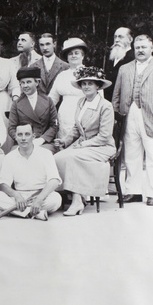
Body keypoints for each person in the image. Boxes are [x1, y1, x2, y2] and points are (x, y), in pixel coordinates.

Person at [112, 34, 153, 206]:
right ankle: (133, 191)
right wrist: (115, 115)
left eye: (143, 47)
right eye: (137, 48)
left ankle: (152, 194)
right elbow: (116, 95)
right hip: (129, 115)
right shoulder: (124, 69)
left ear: (151, 49)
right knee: (132, 155)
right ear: (133, 49)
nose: (140, 50)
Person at [54, 67, 116, 216]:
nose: (86, 87)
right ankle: (73, 196)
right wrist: (64, 141)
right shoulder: (81, 102)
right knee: (57, 157)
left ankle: (77, 201)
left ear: (98, 86)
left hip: (102, 146)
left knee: (73, 157)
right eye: (83, 84)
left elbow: (105, 135)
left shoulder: (105, 106)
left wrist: (83, 145)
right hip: (83, 145)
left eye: (90, 83)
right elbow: (76, 128)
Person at [0, 123, 62, 221]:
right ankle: (34, 213)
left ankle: (12, 211)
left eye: (27, 134)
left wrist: (39, 199)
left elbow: (54, 180)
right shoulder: (9, 157)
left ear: (33, 136)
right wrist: (16, 195)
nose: (23, 138)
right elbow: (2, 184)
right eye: (20, 135)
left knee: (56, 200)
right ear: (16, 137)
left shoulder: (46, 154)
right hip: (19, 198)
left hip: (41, 195)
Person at [49, 38, 99, 140]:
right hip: (64, 115)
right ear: (67, 57)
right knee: (64, 142)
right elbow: (52, 99)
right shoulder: (62, 75)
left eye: (77, 53)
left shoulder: (91, 74)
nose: (73, 56)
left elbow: (99, 100)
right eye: (70, 53)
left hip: (84, 115)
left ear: (83, 55)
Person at [7, 67, 58, 153]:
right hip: (22, 143)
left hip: (44, 143)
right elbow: (11, 128)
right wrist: (22, 139)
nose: (25, 86)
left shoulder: (48, 101)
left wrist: (41, 139)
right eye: (22, 83)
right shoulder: (16, 103)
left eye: (28, 82)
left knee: (43, 154)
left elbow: (54, 125)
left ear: (37, 82)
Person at [104, 27, 134, 100]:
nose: (117, 40)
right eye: (115, 37)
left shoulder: (133, 58)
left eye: (120, 37)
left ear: (130, 40)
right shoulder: (111, 56)